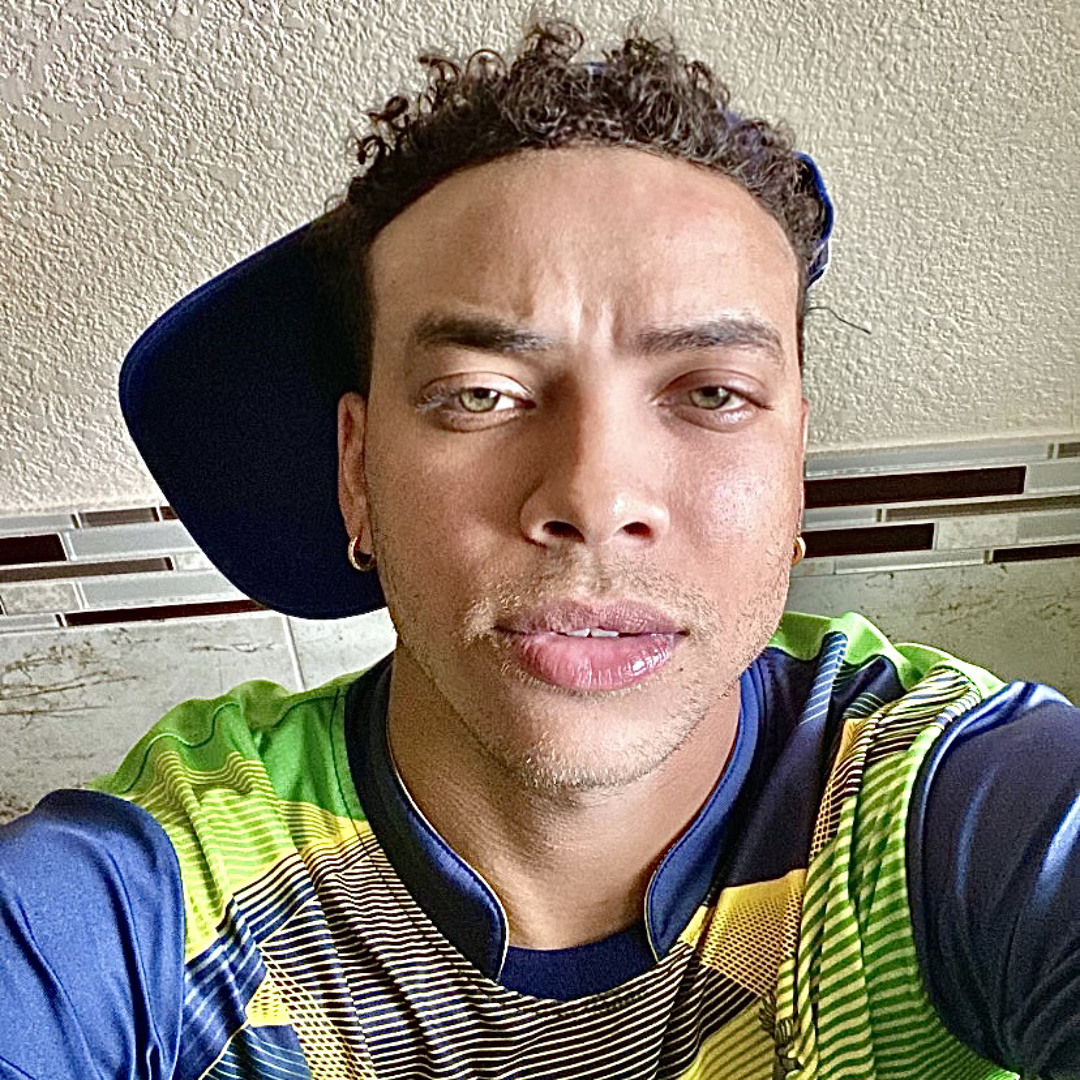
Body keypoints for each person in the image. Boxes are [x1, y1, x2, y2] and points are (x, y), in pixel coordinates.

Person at [0, 20, 1077, 1080]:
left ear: (792, 471)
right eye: (481, 394)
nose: (594, 499)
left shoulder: (946, 804)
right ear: (357, 472)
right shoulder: (155, 898)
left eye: (712, 393)